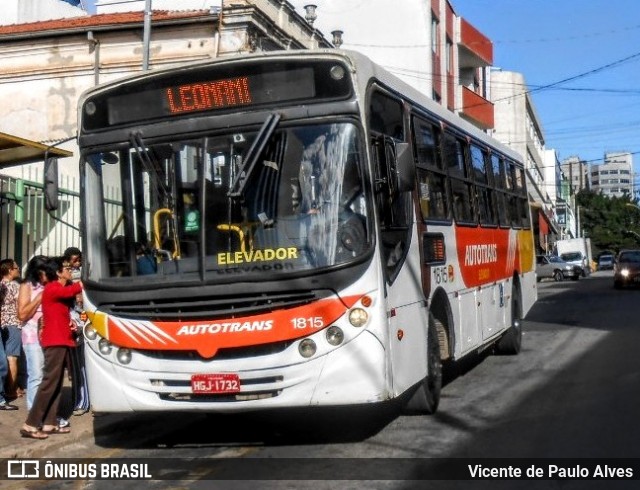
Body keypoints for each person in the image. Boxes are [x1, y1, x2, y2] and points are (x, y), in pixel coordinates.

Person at [20, 257, 83, 439]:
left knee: (55, 383)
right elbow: (74, 289)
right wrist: (86, 282)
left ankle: (49, 423)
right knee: (48, 383)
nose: (69, 271)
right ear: (57, 272)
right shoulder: (53, 288)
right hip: (55, 341)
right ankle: (31, 424)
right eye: (66, 268)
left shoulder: (55, 288)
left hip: (60, 340)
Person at [17, 255, 49, 411]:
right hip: (33, 337)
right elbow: (22, 315)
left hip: (50, 335)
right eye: (45, 271)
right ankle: (34, 414)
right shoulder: (27, 286)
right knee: (36, 375)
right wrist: (39, 299)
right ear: (37, 271)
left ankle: (47, 413)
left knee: (47, 377)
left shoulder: (50, 284)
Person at [63, 247, 90, 416]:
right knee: (77, 366)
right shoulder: (64, 284)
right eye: (73, 262)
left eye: (78, 260)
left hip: (83, 321)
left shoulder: (83, 274)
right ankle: (80, 401)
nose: (76, 264)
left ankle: (83, 401)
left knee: (81, 366)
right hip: (74, 322)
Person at [1, 258, 23, 403]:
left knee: (4, 358)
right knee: (12, 358)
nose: (18, 269)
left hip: (2, 324)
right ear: (9, 270)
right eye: (16, 268)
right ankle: (11, 391)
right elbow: (21, 305)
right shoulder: (15, 286)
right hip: (14, 324)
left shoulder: (0, 285)